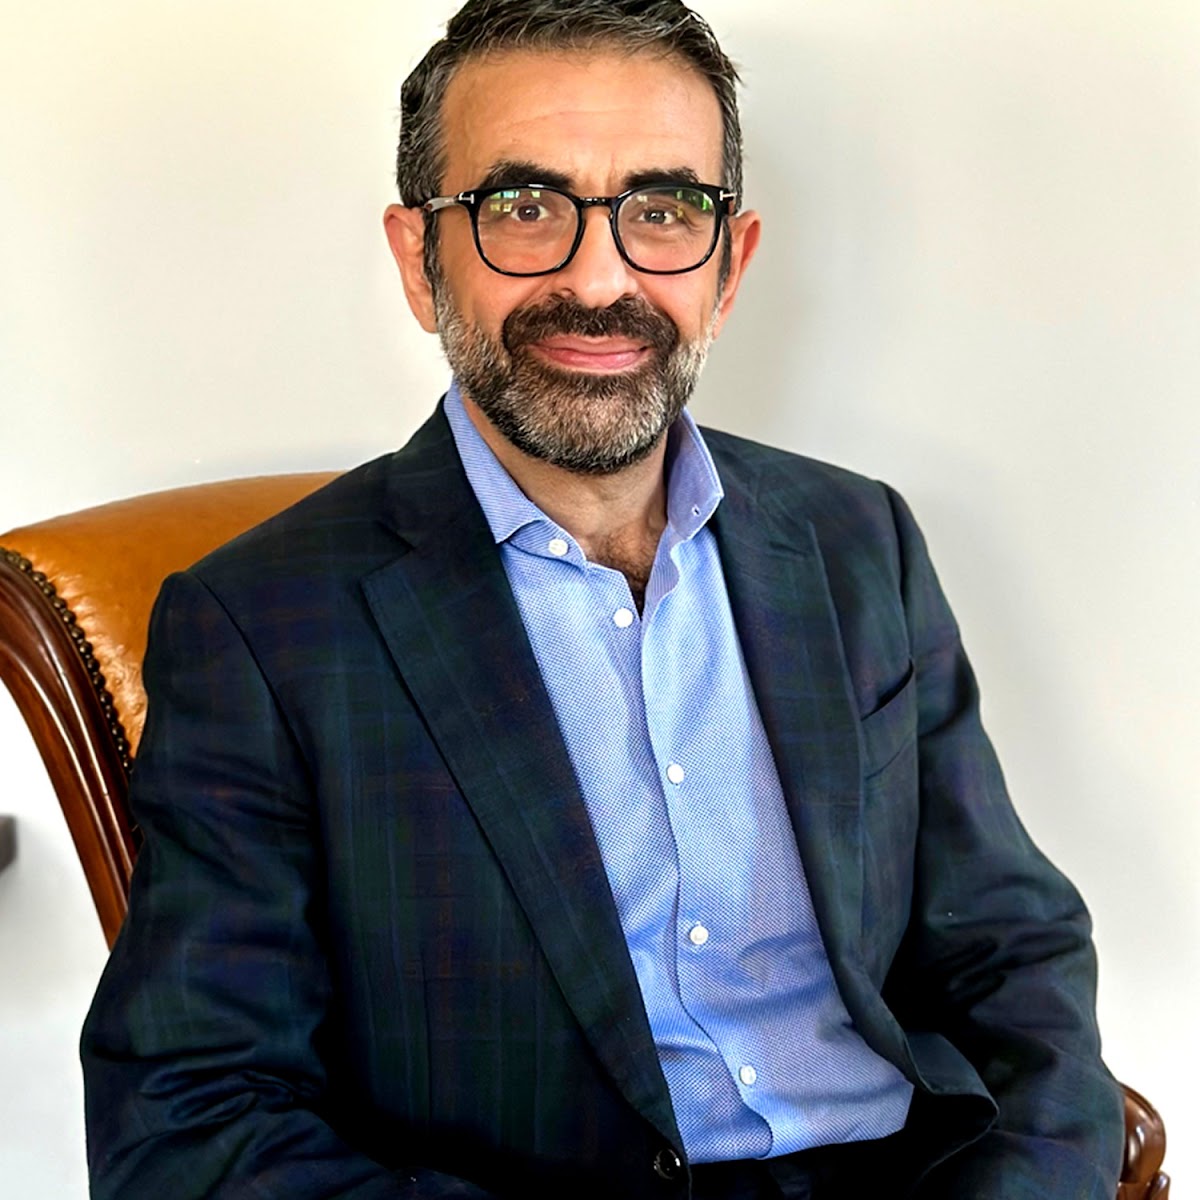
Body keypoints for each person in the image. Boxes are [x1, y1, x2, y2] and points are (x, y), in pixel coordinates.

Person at [80, 1, 1124, 1197]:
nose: (598, 278)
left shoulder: (856, 541)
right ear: (421, 261)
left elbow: (1013, 952)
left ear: (730, 267)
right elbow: (190, 1119)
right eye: (524, 207)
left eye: (662, 210)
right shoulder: (260, 627)